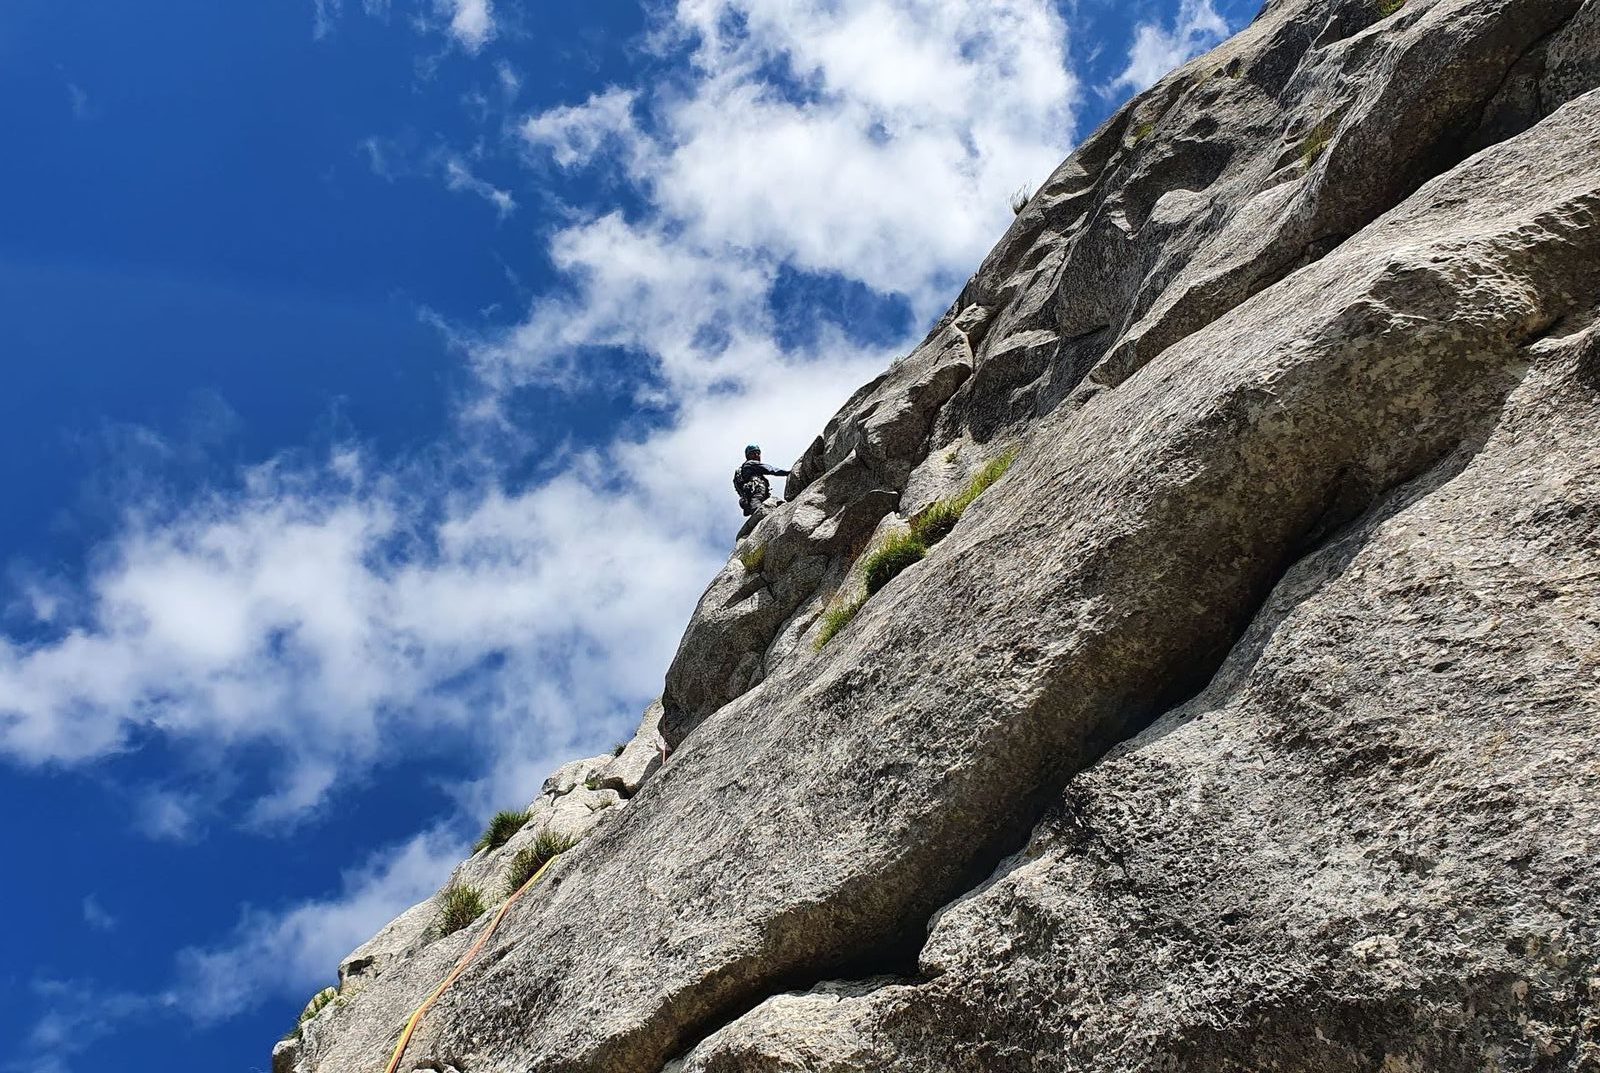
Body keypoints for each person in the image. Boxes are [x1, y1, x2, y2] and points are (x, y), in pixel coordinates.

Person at [733, 444, 790, 517]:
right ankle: (756, 510)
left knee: (762, 503)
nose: (757, 455)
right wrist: (787, 473)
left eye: (758, 453)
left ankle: (752, 508)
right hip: (757, 490)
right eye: (753, 453)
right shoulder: (751, 463)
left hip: (749, 494)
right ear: (748, 456)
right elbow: (770, 469)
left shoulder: (743, 469)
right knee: (758, 504)